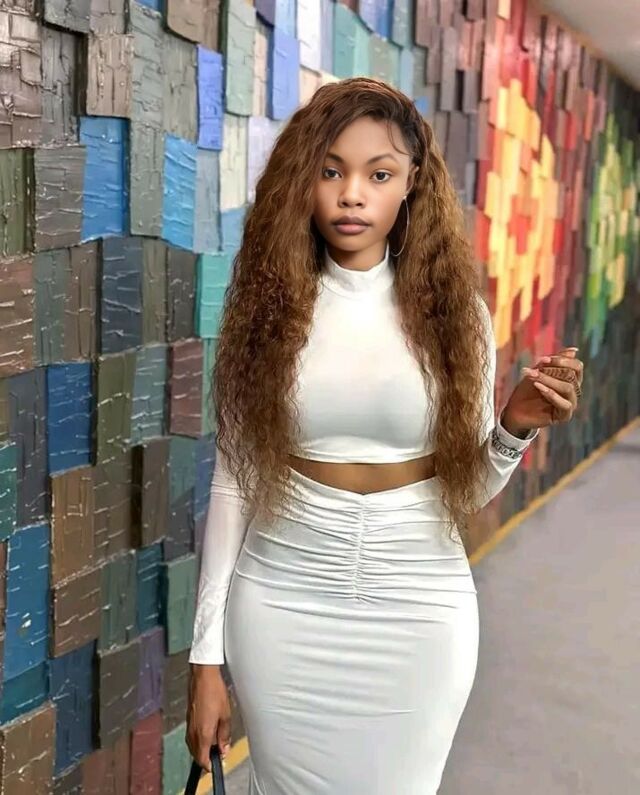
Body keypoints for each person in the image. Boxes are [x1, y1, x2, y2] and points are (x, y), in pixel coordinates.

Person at [185, 77, 584, 794]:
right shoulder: (265, 313)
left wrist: (513, 426)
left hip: (420, 602)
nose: (351, 195)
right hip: (284, 598)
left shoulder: (458, 317)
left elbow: (464, 489)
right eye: (331, 170)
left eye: (378, 174)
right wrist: (204, 659)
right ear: (302, 180)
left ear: (411, 184)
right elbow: (234, 483)